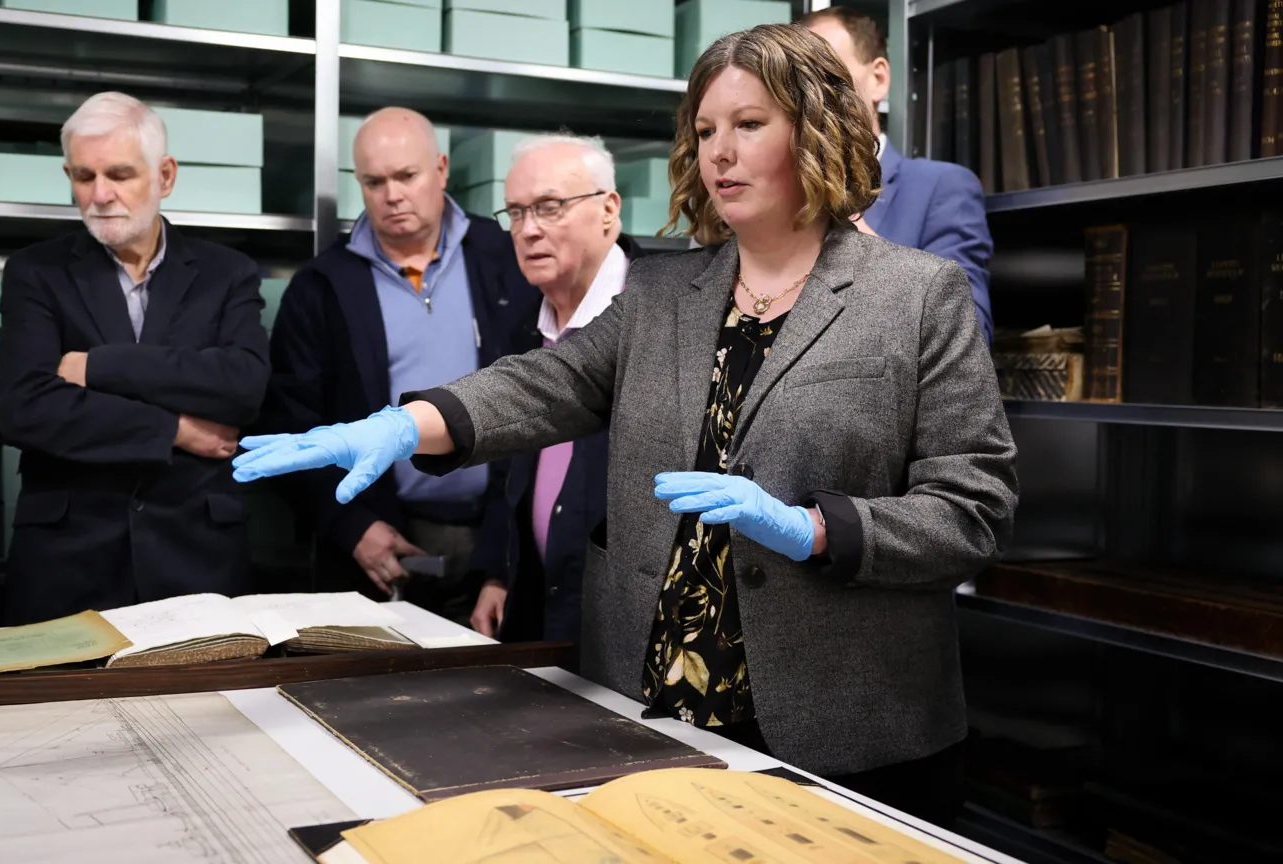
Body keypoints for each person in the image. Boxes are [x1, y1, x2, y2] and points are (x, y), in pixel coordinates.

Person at [233, 24, 1017, 829]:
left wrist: (816, 530)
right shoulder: (662, 292)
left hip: (847, 721)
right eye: (707, 130)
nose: (720, 152)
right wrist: (408, 424)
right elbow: (547, 381)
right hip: (658, 705)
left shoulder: (918, 295)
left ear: (815, 127)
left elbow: (974, 509)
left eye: (750, 125)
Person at [0, 91, 268, 625]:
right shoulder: (35, 273)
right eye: (83, 176)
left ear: (165, 176)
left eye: (120, 174)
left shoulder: (228, 273)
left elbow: (243, 386)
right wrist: (174, 429)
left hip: (198, 557)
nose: (100, 194)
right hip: (68, 561)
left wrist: (98, 367)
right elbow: (28, 408)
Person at [261, 107, 539, 612]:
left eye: (407, 176)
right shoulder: (321, 287)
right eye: (374, 181)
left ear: (441, 168)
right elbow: (291, 425)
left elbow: (544, 398)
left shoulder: (506, 256)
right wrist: (352, 527)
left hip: (504, 537)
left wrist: (502, 555)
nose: (392, 195)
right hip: (377, 544)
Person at [467, 134, 642, 645]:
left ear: (608, 209)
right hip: (536, 613)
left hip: (625, 630)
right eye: (516, 213)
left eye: (549, 207)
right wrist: (499, 571)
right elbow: (505, 462)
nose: (528, 230)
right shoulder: (521, 325)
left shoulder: (662, 315)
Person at [801, 7, 996, 346]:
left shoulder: (941, 187)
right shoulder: (764, 191)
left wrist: (838, 210)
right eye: (794, 82)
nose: (809, 96)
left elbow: (969, 337)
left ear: (878, 79)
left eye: (826, 73)